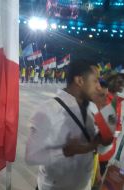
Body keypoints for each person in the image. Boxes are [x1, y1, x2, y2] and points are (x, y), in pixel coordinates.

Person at [25, 59, 107, 190]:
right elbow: (31, 156)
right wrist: (64, 151)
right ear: (80, 81)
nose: (99, 87)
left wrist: (106, 134)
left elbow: (100, 149)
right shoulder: (48, 110)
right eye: (95, 81)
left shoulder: (91, 112)